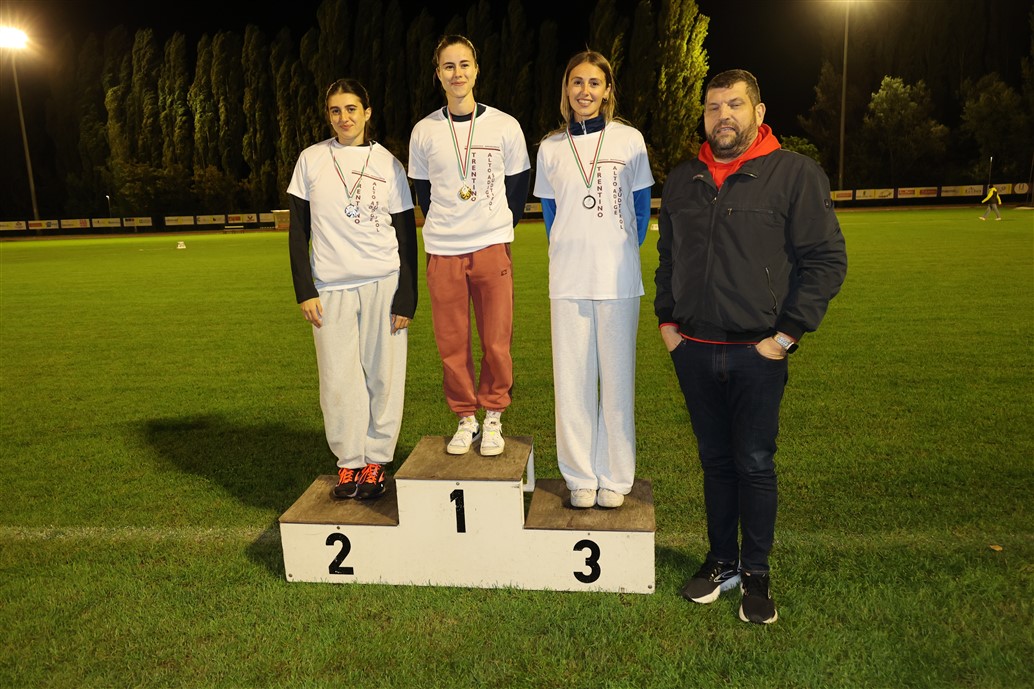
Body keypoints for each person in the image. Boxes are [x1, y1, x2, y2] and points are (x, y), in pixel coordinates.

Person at [654, 69, 847, 624]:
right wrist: (668, 323)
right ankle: (721, 560)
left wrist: (785, 336)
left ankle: (756, 571)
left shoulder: (793, 174)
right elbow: (669, 257)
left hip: (756, 352)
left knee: (755, 462)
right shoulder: (684, 178)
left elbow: (826, 260)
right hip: (694, 348)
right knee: (715, 461)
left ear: (758, 113)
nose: (723, 116)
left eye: (735, 105)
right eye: (713, 107)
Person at [533, 51, 654, 509]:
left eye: (594, 83)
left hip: (618, 280)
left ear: (607, 91)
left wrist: (615, 251)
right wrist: (575, 251)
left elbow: (639, 210)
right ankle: (580, 475)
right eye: (577, 82)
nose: (585, 91)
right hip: (568, 280)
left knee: (617, 383)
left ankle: (616, 477)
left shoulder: (629, 140)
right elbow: (551, 216)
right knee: (572, 384)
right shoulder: (550, 148)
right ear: (566, 89)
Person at [287, 78, 417, 501]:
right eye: (335, 111)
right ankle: (350, 461)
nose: (344, 118)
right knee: (338, 379)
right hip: (330, 288)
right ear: (328, 116)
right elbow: (298, 230)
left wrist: (407, 295)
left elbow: (405, 235)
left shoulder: (388, 164)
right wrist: (304, 289)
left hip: (384, 282)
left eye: (351, 109)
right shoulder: (311, 159)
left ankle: (376, 460)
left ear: (367, 112)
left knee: (384, 375)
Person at [408, 35, 531, 457]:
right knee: (452, 343)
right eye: (448, 66)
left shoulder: (505, 125)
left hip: (491, 247)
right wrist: (452, 226)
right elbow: (424, 193)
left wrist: (494, 226)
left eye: (464, 65)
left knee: (496, 340)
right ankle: (465, 418)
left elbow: (518, 186)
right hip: (443, 250)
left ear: (476, 70)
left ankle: (493, 414)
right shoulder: (424, 130)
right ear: (438, 74)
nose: (457, 73)